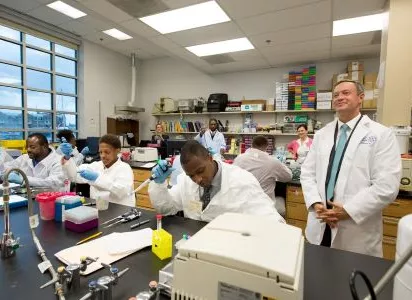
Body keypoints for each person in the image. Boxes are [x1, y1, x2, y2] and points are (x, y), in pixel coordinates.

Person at [300, 80, 401, 257]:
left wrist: (348, 210)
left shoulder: (381, 135)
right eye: (336, 95)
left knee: (352, 280)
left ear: (360, 98)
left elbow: (386, 186)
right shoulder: (322, 134)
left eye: (345, 93)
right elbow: (307, 173)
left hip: (355, 228)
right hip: (321, 222)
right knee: (317, 275)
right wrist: (316, 203)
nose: (339, 97)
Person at [148, 140, 285, 223]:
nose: (197, 179)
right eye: (191, 175)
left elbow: (270, 219)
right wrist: (158, 185)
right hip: (194, 243)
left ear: (210, 158)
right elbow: (166, 208)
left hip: (229, 248)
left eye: (200, 171)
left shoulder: (241, 180)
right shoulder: (185, 181)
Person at [61, 134, 135, 207]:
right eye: (100, 152)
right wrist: (68, 158)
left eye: (107, 152)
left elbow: (121, 191)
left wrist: (97, 179)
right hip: (99, 209)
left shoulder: (124, 168)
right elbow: (73, 176)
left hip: (120, 211)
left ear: (118, 151)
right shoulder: (95, 166)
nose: (103, 156)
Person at [234, 135, 292, 202]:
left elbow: (233, 179)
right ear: (267, 146)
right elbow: (288, 177)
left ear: (251, 144)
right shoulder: (273, 161)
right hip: (264, 205)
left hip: (243, 202)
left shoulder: (239, 159)